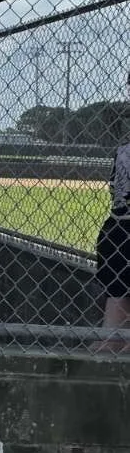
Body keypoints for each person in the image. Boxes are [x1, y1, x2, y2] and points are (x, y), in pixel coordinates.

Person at [95, 73, 130, 352]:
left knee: (117, 290)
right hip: (121, 230)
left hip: (118, 228)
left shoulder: (122, 150)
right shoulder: (123, 151)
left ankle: (112, 338)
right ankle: (113, 338)